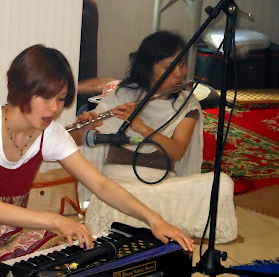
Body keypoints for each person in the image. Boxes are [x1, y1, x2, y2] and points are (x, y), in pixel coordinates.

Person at [0, 44, 194, 277]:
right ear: (20, 89)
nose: (54, 108)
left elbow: (100, 184)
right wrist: (56, 220)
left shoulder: (48, 133)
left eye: (61, 98)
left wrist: (153, 219)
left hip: (5, 238)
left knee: (74, 260)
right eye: (45, 96)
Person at [75, 31, 238, 243]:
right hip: (119, 183)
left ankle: (145, 225)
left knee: (222, 182)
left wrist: (140, 127)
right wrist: (86, 126)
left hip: (162, 185)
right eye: (170, 66)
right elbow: (86, 141)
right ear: (149, 67)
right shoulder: (123, 95)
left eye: (182, 64)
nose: (179, 73)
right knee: (107, 196)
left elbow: (177, 151)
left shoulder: (187, 104)